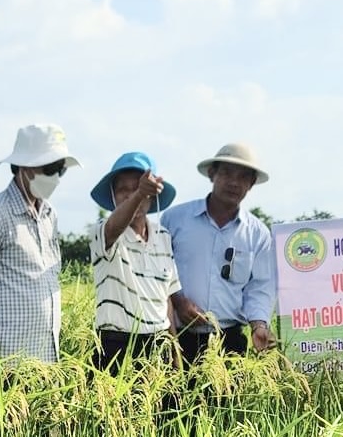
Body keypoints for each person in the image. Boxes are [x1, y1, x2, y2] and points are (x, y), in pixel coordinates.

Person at [0, 123, 76, 364]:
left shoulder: (49, 215)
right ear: (25, 166)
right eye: (50, 168)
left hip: (44, 358)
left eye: (60, 169)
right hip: (2, 360)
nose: (55, 177)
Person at [164, 141, 278, 361]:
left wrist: (258, 325)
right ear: (211, 174)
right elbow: (158, 271)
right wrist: (178, 301)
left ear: (251, 184)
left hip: (229, 341)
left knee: (227, 396)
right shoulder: (175, 220)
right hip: (176, 337)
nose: (234, 182)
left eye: (243, 177)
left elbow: (260, 287)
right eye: (226, 173)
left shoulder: (257, 234)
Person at [88, 152, 180, 370]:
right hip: (116, 346)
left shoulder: (163, 236)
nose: (130, 196)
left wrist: (174, 352)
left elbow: (165, 297)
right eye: (123, 190)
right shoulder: (103, 231)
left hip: (158, 344)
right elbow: (114, 228)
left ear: (153, 195)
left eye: (138, 188)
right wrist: (139, 193)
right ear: (112, 196)